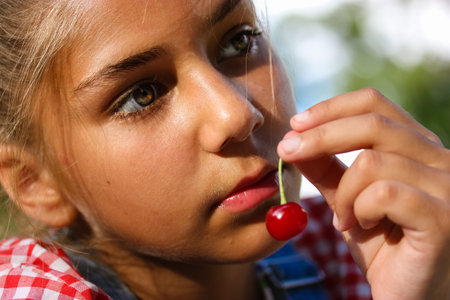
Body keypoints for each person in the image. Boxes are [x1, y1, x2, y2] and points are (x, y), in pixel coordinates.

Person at [0, 0, 448, 299]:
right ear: (35, 182)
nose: (236, 115)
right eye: (142, 95)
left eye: (239, 41)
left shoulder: (350, 250)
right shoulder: (31, 288)